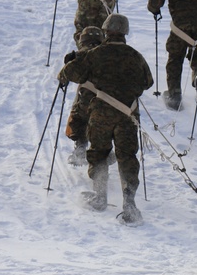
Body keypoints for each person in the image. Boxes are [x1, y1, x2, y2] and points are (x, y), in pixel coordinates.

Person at [59, 14, 153, 225]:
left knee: (99, 152)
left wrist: (70, 62)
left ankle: (100, 196)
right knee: (127, 156)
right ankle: (129, 203)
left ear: (105, 31)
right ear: (125, 33)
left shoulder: (95, 54)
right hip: (128, 114)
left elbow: (72, 74)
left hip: (101, 112)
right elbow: (148, 82)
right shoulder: (136, 56)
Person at [57, 26, 104, 164]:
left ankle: (80, 147)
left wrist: (68, 64)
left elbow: (63, 77)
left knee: (78, 115)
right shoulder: (108, 53)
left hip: (87, 101)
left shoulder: (80, 56)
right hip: (109, 100)